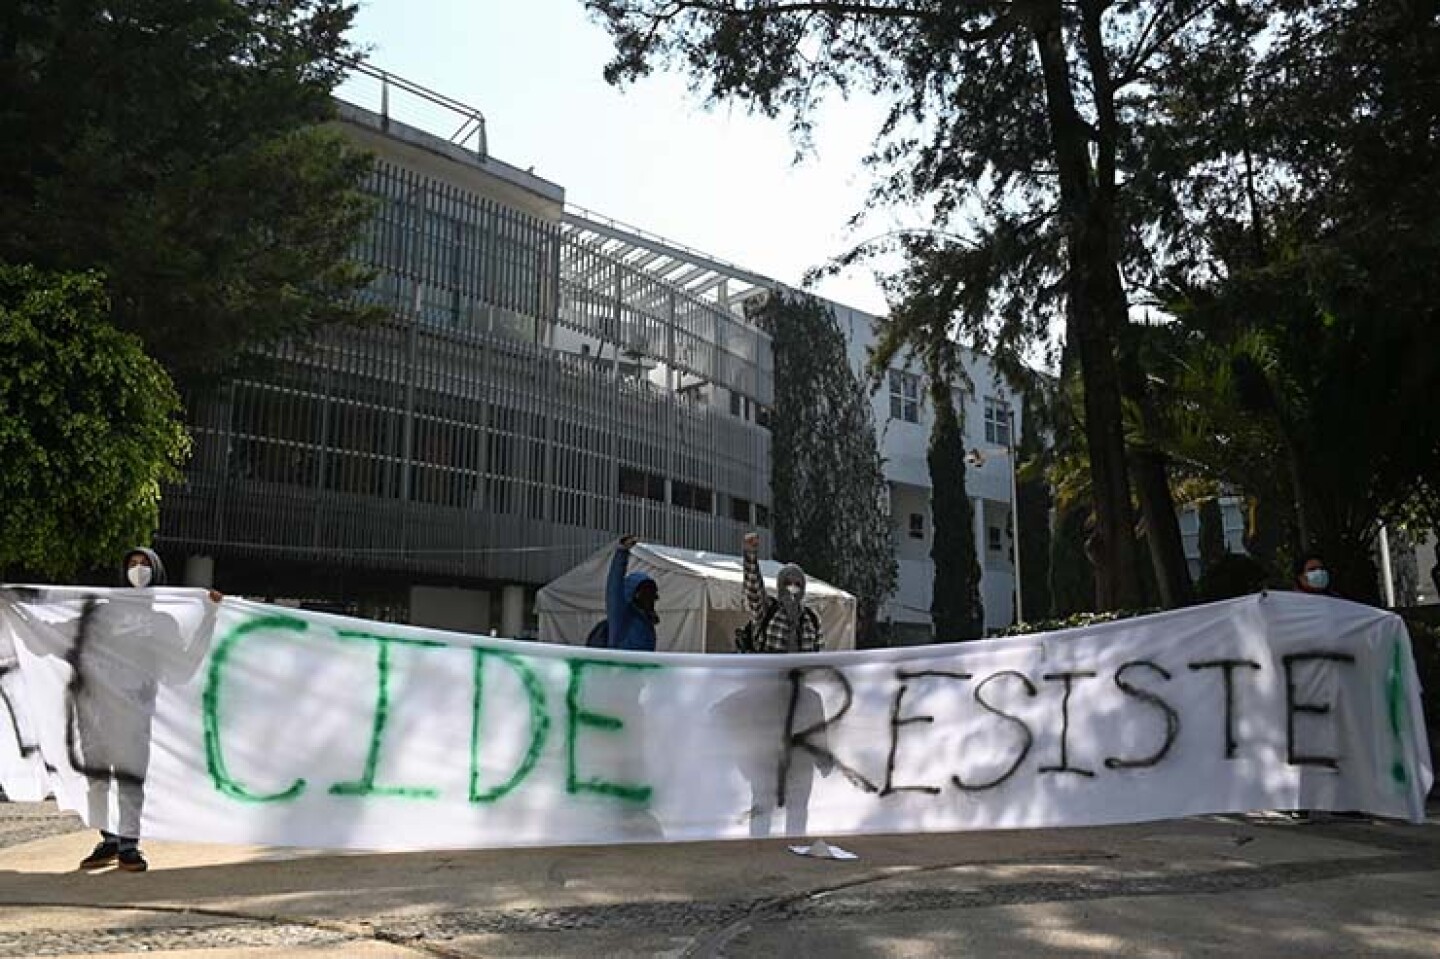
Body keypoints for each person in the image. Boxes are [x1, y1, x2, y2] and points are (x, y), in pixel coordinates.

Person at [76, 548, 222, 873]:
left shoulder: (161, 621)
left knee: (130, 777)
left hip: (135, 709)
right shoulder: (102, 613)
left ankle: (129, 844)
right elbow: (69, 637)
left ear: (156, 573)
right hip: (96, 709)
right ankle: (108, 838)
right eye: (132, 563)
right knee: (97, 779)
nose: (138, 569)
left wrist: (209, 616)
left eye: (144, 565)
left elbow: (182, 664)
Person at [738, 532, 823, 653]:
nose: (792, 587)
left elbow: (819, 654)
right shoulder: (768, 609)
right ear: (780, 585)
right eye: (788, 582)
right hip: (769, 671)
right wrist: (750, 555)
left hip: (801, 671)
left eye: (797, 584)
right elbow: (753, 589)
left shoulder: (812, 618)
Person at [604, 535, 659, 652]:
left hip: (641, 669)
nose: (649, 597)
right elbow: (614, 588)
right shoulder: (621, 616)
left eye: (651, 593)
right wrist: (622, 552)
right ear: (634, 593)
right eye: (645, 592)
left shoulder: (646, 620)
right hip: (622, 668)